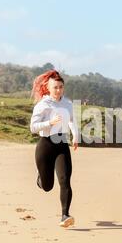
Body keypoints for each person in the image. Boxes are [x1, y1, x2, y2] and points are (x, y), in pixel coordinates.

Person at [30, 70, 79, 228]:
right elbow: (33, 128)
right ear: (48, 88)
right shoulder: (43, 105)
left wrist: (75, 135)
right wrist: (49, 123)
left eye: (61, 87)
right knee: (47, 186)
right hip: (46, 145)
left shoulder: (68, 103)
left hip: (62, 145)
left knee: (65, 180)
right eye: (55, 87)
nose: (58, 90)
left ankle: (65, 215)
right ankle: (40, 176)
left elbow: (71, 121)